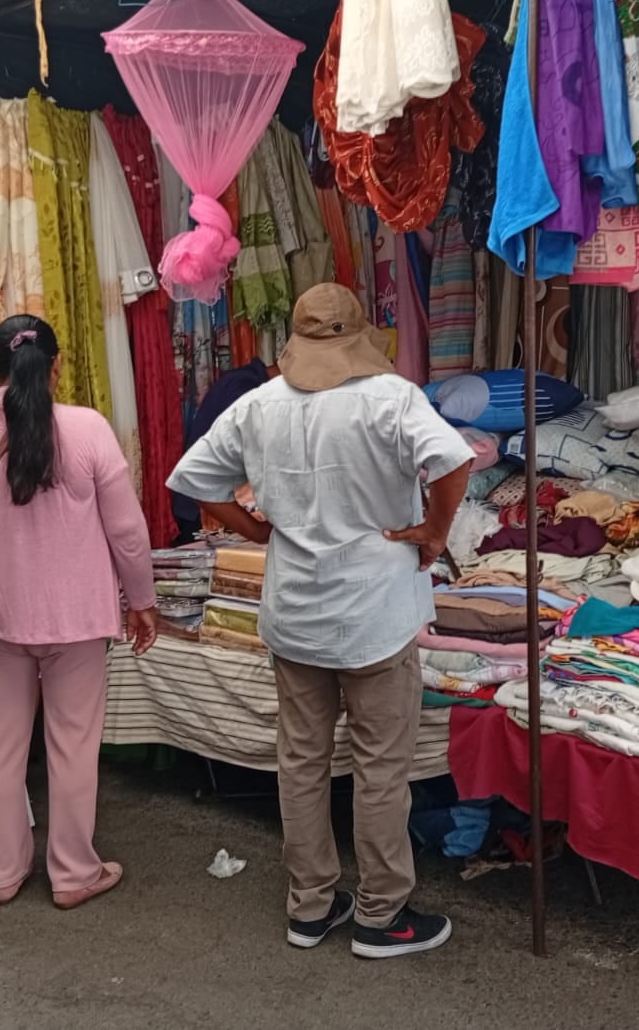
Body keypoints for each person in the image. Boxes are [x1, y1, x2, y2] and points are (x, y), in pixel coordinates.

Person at [168, 284, 473, 958]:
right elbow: (455, 460)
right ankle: (381, 915)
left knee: (301, 763)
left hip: (296, 613)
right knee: (379, 769)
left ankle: (310, 908)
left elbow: (190, 482)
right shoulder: (390, 398)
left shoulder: (258, 406)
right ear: (357, 335)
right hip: (375, 613)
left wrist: (257, 531)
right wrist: (433, 530)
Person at [0, 314, 158, 910]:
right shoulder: (88, 430)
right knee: (73, 745)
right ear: (55, 367)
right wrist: (143, 601)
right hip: (77, 618)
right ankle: (73, 872)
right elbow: (127, 532)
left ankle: (2, 874)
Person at [171, 358, 278, 539]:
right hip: (205, 510)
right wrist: (258, 532)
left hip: (207, 502)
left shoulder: (246, 381)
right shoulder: (245, 390)